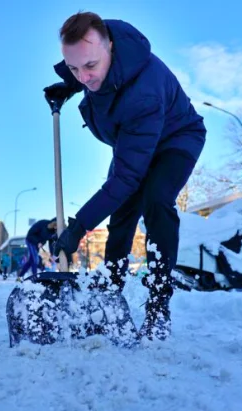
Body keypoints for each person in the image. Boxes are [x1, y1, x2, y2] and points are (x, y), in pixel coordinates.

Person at [45, 12, 206, 340]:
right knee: (120, 217)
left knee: (156, 199)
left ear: (111, 49)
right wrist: (68, 86)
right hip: (134, 141)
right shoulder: (96, 53)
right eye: (74, 68)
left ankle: (159, 304)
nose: (84, 77)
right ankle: (110, 294)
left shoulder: (142, 93)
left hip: (175, 139)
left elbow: (127, 179)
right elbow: (86, 69)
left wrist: (78, 226)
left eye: (89, 66)